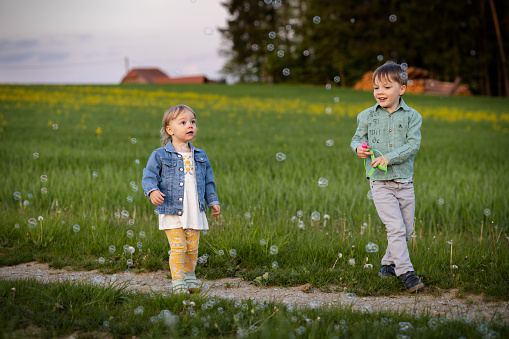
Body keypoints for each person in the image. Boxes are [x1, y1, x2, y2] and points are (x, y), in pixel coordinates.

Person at [350, 61, 424, 293]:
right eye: (376, 88)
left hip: (404, 181)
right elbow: (356, 139)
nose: (379, 92)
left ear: (401, 89)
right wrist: (358, 149)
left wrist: (389, 157)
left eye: (386, 87)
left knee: (407, 229)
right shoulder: (366, 116)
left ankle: (387, 266)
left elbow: (413, 144)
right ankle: (407, 273)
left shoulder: (413, 116)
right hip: (380, 184)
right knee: (396, 228)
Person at [142, 105, 220, 294]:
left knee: (192, 247)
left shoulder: (200, 156)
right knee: (178, 246)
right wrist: (152, 191)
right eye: (183, 122)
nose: (190, 125)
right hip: (171, 209)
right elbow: (149, 176)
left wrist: (213, 201)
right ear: (170, 130)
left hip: (194, 209)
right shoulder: (160, 155)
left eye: (192, 122)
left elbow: (208, 181)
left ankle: (189, 275)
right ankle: (177, 281)